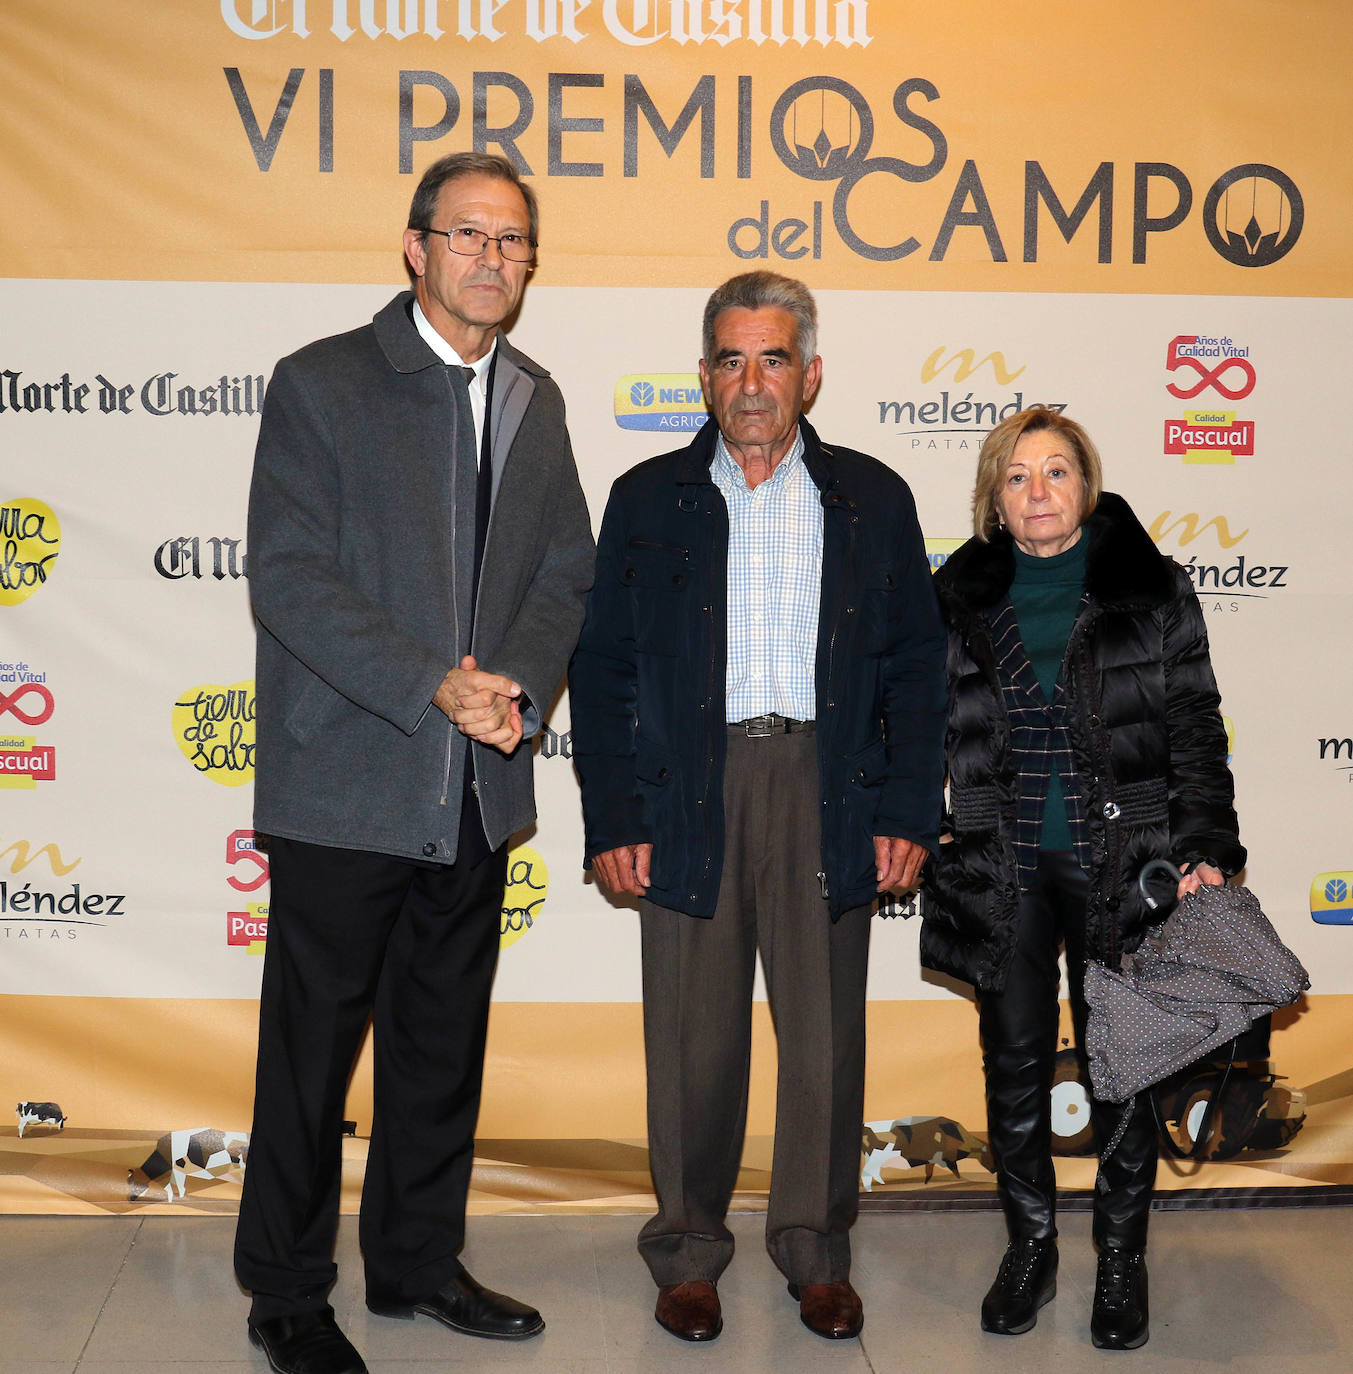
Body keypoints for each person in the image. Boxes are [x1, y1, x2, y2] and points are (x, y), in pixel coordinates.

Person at [235, 152, 594, 1374]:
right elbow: (287, 577)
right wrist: (429, 680)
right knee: (310, 1062)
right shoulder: (324, 384)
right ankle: (284, 1293)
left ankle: (415, 1265)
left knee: (441, 1051)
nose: (491, 258)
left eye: (512, 242)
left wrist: (516, 688)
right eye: (468, 236)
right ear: (414, 247)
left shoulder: (536, 401)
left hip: (477, 794)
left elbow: (564, 573)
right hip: (347, 788)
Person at [569, 271, 947, 1344]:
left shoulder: (871, 497)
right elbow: (601, 670)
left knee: (824, 1039)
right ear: (703, 375)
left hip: (832, 788)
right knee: (692, 1035)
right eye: (730, 359)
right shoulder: (648, 496)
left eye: (773, 358)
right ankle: (688, 1252)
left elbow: (918, 667)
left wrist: (910, 811)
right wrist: (615, 819)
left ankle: (815, 1252)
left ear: (811, 375)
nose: (751, 381)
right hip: (690, 786)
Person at [920, 406, 1244, 1350]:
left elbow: (1192, 723)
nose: (1037, 493)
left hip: (1129, 864)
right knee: (1013, 1061)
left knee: (1124, 1063)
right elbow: (915, 722)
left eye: (1054, 472)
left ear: (1087, 485)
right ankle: (1029, 1247)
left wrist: (1207, 848)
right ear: (994, 498)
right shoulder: (956, 597)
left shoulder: (1150, 589)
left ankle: (1117, 1256)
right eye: (1016, 477)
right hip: (998, 864)